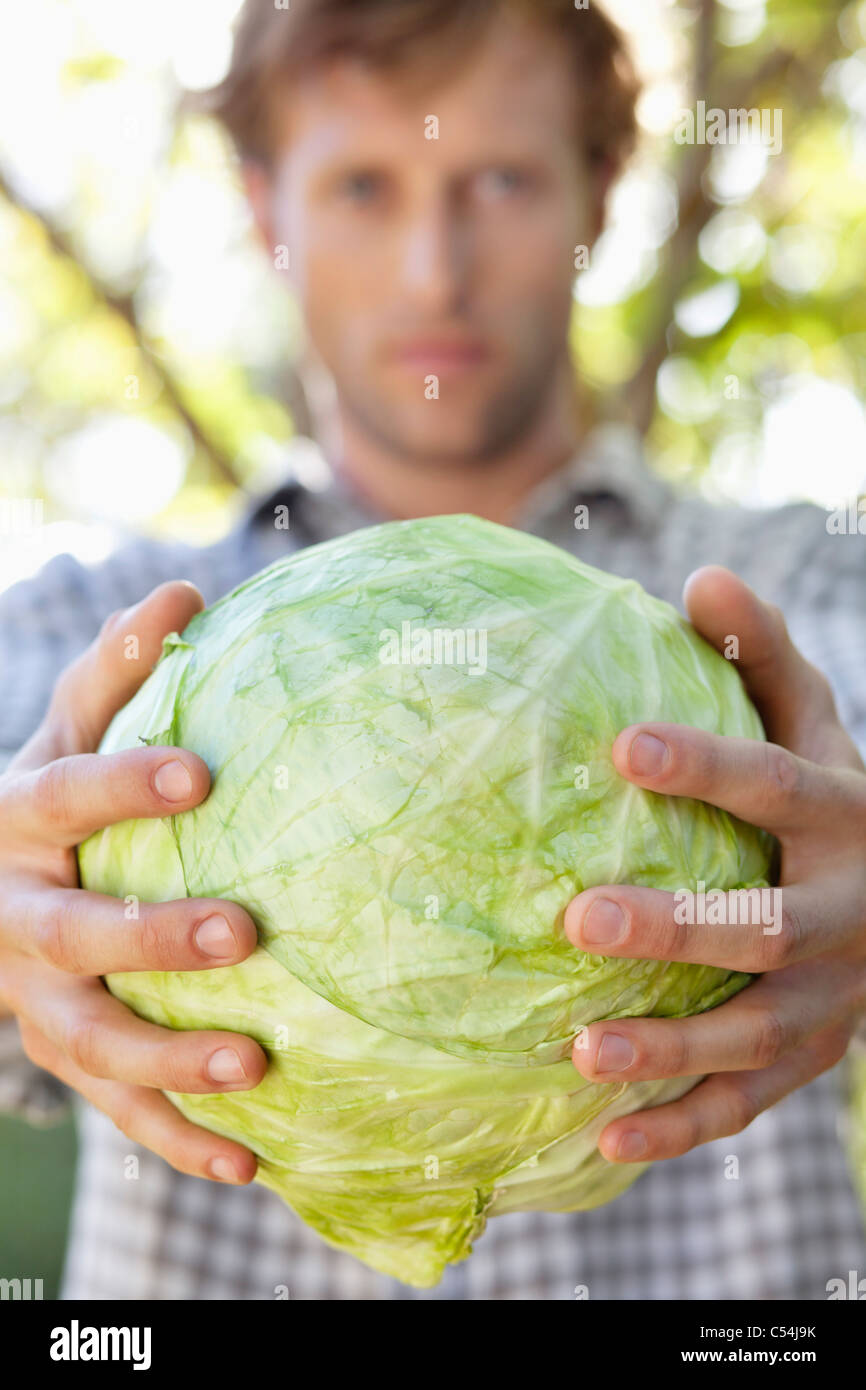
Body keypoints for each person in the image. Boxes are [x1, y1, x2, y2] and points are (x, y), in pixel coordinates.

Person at [1, 0, 864, 1301]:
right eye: (361, 185)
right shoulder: (107, 642)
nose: (432, 269)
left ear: (600, 192)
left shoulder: (788, 606)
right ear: (263, 209)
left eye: (502, 180)